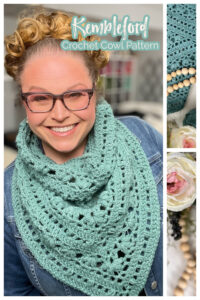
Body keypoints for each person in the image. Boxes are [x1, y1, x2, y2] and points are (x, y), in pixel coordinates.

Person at [4, 9, 163, 296]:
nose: (60, 114)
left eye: (74, 94)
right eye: (41, 98)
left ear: (94, 88)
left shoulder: (144, 139)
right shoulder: (6, 197)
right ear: (23, 100)